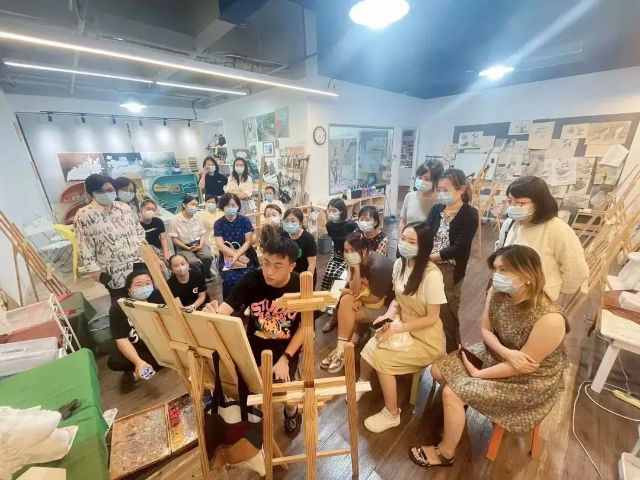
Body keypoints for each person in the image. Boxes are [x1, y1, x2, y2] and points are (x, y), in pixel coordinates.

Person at [408, 245, 568, 468]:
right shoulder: (497, 292)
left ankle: (445, 453)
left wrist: (478, 374)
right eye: (495, 269)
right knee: (437, 370)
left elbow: (521, 366)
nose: (496, 275)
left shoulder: (550, 319)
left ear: (528, 276)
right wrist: (506, 353)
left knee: (452, 393)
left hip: (528, 381)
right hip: (499, 353)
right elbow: (485, 331)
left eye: (504, 270)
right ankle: (461, 406)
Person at [204, 237, 304, 436]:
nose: (269, 271)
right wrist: (215, 314)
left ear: (291, 266)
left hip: (285, 348)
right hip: (254, 345)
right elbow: (227, 307)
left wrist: (286, 359)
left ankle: (291, 410)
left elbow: (305, 328)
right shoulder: (252, 279)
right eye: (266, 263)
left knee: (283, 387)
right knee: (248, 384)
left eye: (277, 266)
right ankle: (254, 416)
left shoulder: (301, 284)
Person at [360, 222, 447, 433]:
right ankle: (361, 383)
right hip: (402, 325)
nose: (405, 244)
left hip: (426, 339)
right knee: (371, 345)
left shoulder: (432, 276)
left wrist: (400, 327)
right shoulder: (400, 264)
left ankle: (392, 414)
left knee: (382, 359)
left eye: (412, 242)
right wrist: (388, 316)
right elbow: (397, 301)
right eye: (403, 239)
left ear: (424, 247)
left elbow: (432, 318)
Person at [497, 175, 589, 302]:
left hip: (539, 299)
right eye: (509, 201)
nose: (512, 207)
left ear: (539, 203)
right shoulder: (510, 223)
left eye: (520, 203)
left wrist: (553, 292)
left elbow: (576, 270)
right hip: (509, 294)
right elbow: (500, 254)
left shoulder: (558, 229)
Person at [320, 231, 394, 373]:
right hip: (367, 298)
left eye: (353, 250)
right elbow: (354, 289)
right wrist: (355, 268)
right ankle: (341, 349)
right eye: (346, 250)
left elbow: (375, 298)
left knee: (346, 313)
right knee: (346, 300)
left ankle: (340, 350)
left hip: (385, 307)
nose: (348, 254)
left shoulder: (378, 266)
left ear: (365, 250)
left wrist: (356, 296)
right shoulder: (355, 262)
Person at [75, 174, 152, 300]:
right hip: (112, 267)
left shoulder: (124, 208)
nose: (106, 194)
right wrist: (94, 270)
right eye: (100, 191)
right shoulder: (84, 215)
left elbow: (138, 230)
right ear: (92, 193)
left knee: (142, 294)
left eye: (110, 190)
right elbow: (84, 245)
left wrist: (144, 251)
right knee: (121, 300)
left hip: (137, 261)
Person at [426, 168, 478, 353]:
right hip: (429, 264)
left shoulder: (469, 213)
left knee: (447, 311)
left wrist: (431, 258)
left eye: (445, 190)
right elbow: (425, 234)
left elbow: (459, 246)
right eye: (439, 190)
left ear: (461, 189)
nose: (441, 193)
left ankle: (453, 352)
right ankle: (431, 346)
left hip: (449, 267)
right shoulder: (436, 209)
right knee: (427, 306)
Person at [107, 269, 162, 391]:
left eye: (148, 283)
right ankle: (139, 366)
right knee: (115, 361)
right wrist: (137, 361)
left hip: (156, 344)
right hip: (136, 346)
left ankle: (138, 371)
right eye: (139, 285)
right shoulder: (118, 307)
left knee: (163, 360)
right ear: (129, 289)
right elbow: (121, 339)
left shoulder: (157, 296)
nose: (144, 287)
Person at [214, 193, 259, 298]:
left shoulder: (245, 220)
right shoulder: (218, 223)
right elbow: (220, 245)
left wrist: (238, 255)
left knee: (250, 276)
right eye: (227, 205)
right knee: (229, 278)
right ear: (222, 207)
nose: (231, 208)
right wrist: (236, 257)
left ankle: (250, 302)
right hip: (227, 257)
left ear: (238, 206)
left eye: (233, 205)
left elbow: (248, 241)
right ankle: (230, 303)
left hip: (246, 254)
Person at [320, 198, 357, 312]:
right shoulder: (329, 225)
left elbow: (356, 241)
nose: (331, 213)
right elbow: (333, 238)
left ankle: (332, 304)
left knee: (339, 279)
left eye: (334, 210)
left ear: (342, 211)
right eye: (329, 210)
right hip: (336, 254)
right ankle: (324, 301)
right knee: (327, 276)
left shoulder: (351, 225)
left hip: (348, 257)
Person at [398, 160, 444, 251]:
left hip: (427, 249)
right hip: (406, 245)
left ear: (437, 181)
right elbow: (403, 222)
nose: (422, 181)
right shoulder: (409, 196)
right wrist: (400, 241)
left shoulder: (441, 202)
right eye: (419, 177)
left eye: (427, 179)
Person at [168, 195, 214, 280]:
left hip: (198, 243)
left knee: (207, 257)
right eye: (192, 204)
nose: (195, 207)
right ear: (184, 205)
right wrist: (187, 248)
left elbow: (202, 234)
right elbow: (174, 240)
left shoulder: (198, 217)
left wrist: (201, 245)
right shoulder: (175, 220)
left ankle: (206, 273)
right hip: (183, 246)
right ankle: (199, 278)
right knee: (193, 262)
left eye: (196, 205)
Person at [281, 207, 318, 281]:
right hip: (289, 275)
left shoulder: (308, 239)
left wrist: (307, 281)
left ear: (300, 224)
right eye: (286, 221)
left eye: (293, 221)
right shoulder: (283, 236)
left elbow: (312, 264)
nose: (289, 224)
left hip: (305, 274)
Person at [139, 198, 170, 263]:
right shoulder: (137, 225)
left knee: (171, 262)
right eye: (148, 209)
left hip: (159, 248)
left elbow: (163, 239)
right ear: (141, 209)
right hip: (147, 251)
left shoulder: (158, 221)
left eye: (153, 210)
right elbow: (142, 245)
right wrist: (157, 259)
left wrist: (166, 254)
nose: (150, 211)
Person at [200, 194, 224, 262]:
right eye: (208, 202)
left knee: (226, 252)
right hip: (208, 240)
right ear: (205, 203)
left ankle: (227, 266)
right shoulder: (201, 214)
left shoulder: (222, 213)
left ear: (216, 203)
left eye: (212, 202)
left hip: (222, 238)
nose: (210, 204)